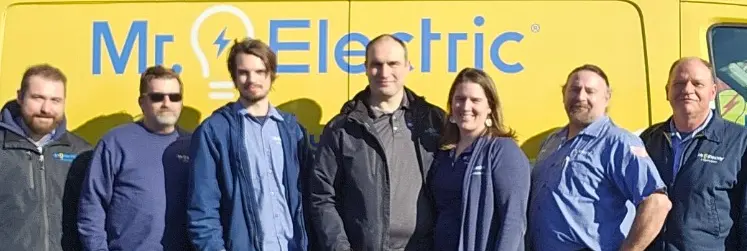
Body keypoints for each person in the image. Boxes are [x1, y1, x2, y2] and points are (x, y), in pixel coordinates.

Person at [307, 34, 446, 251]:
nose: (384, 72)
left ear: (408, 66)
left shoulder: (433, 121)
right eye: (376, 64)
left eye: (393, 64)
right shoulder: (343, 128)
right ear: (365, 67)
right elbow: (322, 196)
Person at [187, 38, 313, 251]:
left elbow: (310, 199)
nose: (251, 79)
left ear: (271, 74)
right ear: (234, 78)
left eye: (259, 72)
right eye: (243, 72)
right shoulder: (215, 130)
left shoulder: (293, 130)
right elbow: (203, 207)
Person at [528, 64, 671, 251]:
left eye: (590, 91)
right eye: (574, 89)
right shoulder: (552, 141)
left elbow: (657, 203)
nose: (581, 97)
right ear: (564, 94)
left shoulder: (617, 142)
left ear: (607, 97)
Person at [77, 65, 192, 250]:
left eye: (174, 97)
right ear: (142, 102)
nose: (167, 103)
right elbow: (92, 204)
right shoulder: (115, 142)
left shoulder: (194, 146)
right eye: (157, 97)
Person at [640, 57, 747, 251]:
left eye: (697, 84)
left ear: (713, 91)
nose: (687, 90)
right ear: (667, 92)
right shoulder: (649, 139)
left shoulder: (740, 142)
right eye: (679, 83)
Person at [428, 67, 530, 251]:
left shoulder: (502, 150)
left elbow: (513, 220)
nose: (466, 107)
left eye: (475, 100)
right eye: (459, 99)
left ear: (489, 107)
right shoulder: (443, 153)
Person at [0, 64, 92, 251]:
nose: (46, 108)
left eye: (55, 100)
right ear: (20, 96)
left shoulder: (82, 153)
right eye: (37, 98)